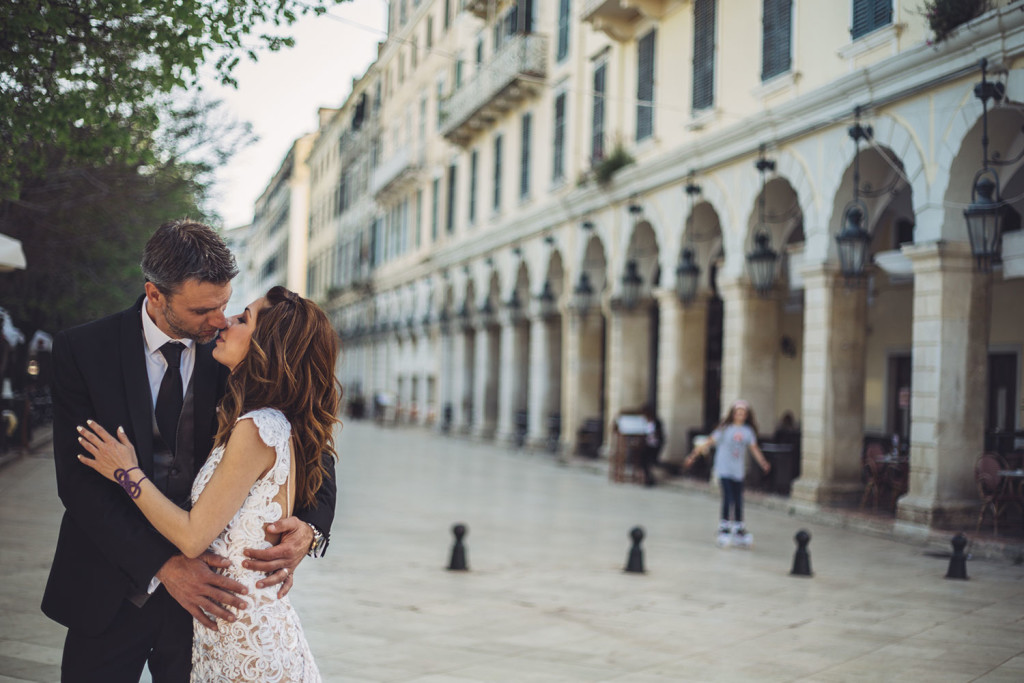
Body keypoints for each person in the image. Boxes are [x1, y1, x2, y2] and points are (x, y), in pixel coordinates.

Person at [41, 220, 336, 682]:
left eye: (227, 305)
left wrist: (312, 528)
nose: (219, 320)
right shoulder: (83, 350)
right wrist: (164, 566)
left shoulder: (238, 360)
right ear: (155, 295)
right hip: (109, 588)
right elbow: (77, 483)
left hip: (211, 612)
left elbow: (309, 441)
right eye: (204, 309)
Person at [683, 399, 770, 548]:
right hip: (724, 468)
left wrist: (763, 462)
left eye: (743, 413)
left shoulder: (747, 431)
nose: (740, 415)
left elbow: (753, 448)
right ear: (733, 414)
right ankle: (724, 526)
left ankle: (738, 527)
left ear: (747, 415)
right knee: (728, 497)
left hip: (738, 470)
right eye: (738, 412)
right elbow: (708, 442)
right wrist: (692, 456)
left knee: (738, 498)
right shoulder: (724, 429)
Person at [641, 405, 664, 487]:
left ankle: (651, 478)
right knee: (645, 462)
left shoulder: (656, 422)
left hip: (654, 445)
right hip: (647, 445)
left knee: (652, 462)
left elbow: (659, 434)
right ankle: (648, 478)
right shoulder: (644, 421)